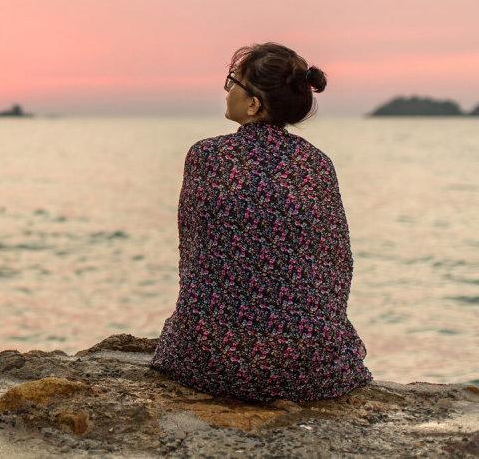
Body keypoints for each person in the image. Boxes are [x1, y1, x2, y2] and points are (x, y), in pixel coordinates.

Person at [149, 42, 373, 402]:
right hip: (310, 366)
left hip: (211, 360)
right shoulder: (317, 164)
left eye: (232, 82)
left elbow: (192, 256)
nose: (227, 91)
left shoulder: (207, 156)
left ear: (254, 104)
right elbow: (337, 262)